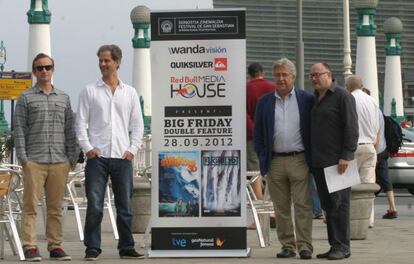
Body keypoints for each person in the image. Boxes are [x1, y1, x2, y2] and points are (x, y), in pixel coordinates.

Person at [75, 44, 144, 261]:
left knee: (124, 206)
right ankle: (92, 247)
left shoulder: (130, 92)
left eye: (107, 60)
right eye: (101, 60)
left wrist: (132, 149)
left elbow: (138, 125)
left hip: (122, 157)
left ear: (117, 62)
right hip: (98, 157)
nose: (103, 64)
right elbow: (80, 123)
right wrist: (88, 148)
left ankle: (126, 247)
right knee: (95, 205)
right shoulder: (89, 91)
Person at [14, 53, 77, 261]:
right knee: (30, 206)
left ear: (53, 69)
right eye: (39, 68)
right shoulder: (25, 98)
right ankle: (30, 246)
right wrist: (24, 158)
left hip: (60, 161)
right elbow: (19, 130)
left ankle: (55, 245)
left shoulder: (64, 98)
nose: (44, 71)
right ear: (34, 71)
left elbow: (71, 129)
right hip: (34, 161)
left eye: (47, 67)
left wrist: (71, 158)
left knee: (55, 207)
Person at [254, 58, 314, 259]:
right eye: (277, 74)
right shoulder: (265, 102)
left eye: (284, 75)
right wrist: (263, 156)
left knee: (302, 205)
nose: (280, 79)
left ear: (293, 77)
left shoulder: (306, 99)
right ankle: (288, 245)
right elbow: (258, 133)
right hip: (275, 161)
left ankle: (304, 245)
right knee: (280, 208)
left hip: (299, 159)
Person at [310, 63, 358, 260]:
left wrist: (346, 155)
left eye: (317, 75)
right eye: (311, 75)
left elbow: (352, 127)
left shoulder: (342, 96)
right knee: (329, 206)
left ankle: (342, 247)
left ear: (329, 75)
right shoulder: (315, 98)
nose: (313, 78)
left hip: (338, 162)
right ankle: (334, 245)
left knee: (340, 205)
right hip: (319, 162)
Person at [345, 76, 379, 228]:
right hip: (369, 146)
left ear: (348, 86)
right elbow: (377, 126)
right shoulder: (372, 101)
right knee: (368, 185)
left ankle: (349, 218)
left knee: (347, 185)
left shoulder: (348, 98)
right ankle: (368, 220)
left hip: (352, 147)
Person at [246, 62, 276, 229]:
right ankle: (273, 210)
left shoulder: (246, 89)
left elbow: (245, 115)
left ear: (249, 74)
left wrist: (254, 132)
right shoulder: (272, 87)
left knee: (255, 174)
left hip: (252, 137)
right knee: (273, 171)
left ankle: (261, 215)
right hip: (273, 136)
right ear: (262, 73)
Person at [361, 88, 398, 219]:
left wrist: (374, 153)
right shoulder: (378, 111)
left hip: (374, 150)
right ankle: (392, 208)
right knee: (383, 179)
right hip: (382, 150)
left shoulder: (370, 112)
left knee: (366, 180)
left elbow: (374, 135)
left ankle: (365, 212)